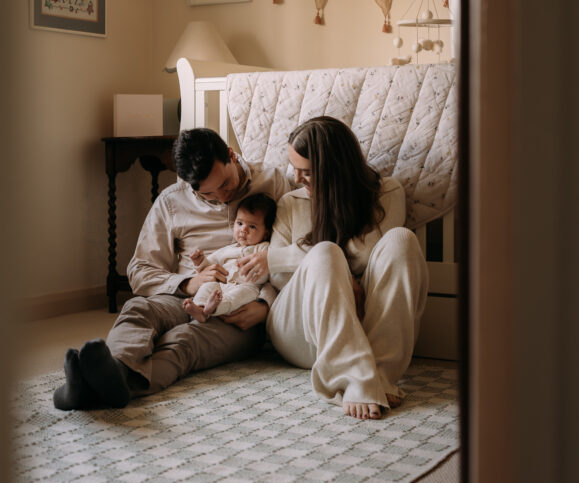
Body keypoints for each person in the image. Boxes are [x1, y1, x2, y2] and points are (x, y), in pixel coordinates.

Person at [53, 129, 290, 410]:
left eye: (225, 184)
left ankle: (87, 390)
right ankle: (114, 373)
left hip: (239, 308)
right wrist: (188, 283)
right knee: (138, 309)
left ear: (230, 154)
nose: (221, 197)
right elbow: (140, 270)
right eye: (207, 193)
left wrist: (265, 305)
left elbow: (297, 253)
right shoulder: (171, 201)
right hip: (183, 297)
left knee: (183, 339)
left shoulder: (273, 182)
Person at [237, 116, 428, 421]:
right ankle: (354, 376)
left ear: (336, 169)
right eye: (295, 169)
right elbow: (282, 278)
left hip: (365, 322)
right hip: (301, 331)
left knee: (401, 240)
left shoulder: (386, 192)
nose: (297, 179)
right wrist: (330, 268)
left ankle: (378, 375)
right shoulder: (290, 202)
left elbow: (367, 254)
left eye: (307, 172)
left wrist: (284, 258)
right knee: (326, 252)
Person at [182, 193, 277, 322]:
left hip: (247, 286)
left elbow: (268, 271)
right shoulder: (228, 249)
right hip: (222, 284)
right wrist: (200, 261)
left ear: (266, 233)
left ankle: (214, 308)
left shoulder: (263, 249)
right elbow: (211, 265)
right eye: (240, 223)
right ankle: (200, 309)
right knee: (207, 287)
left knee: (237, 296)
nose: (243, 230)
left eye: (252, 226)